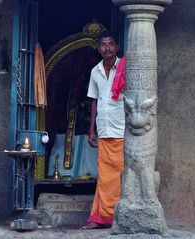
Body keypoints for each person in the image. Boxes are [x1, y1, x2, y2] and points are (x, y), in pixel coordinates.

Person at [82, 31, 125, 229]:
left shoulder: (125, 69)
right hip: (104, 130)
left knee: (119, 175)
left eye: (111, 44)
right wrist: (92, 130)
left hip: (123, 130)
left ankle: (120, 215)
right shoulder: (95, 71)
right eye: (103, 45)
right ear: (98, 49)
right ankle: (102, 217)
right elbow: (94, 102)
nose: (107, 48)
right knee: (105, 176)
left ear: (117, 48)